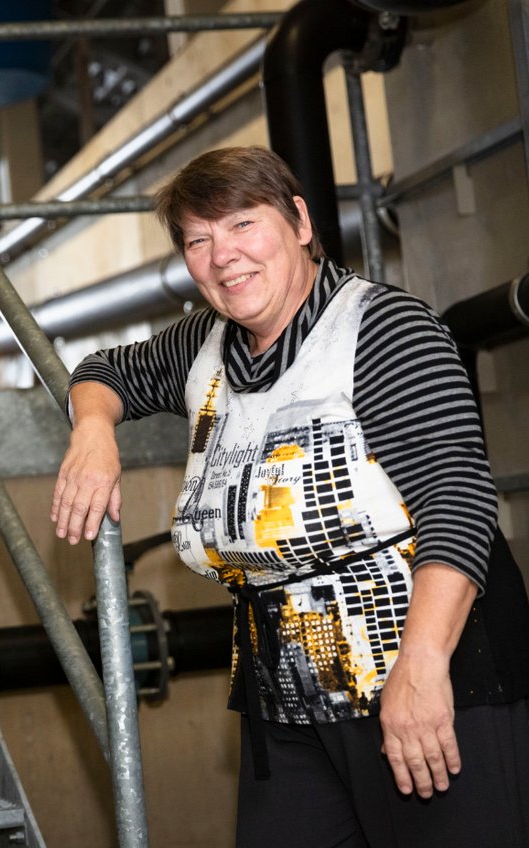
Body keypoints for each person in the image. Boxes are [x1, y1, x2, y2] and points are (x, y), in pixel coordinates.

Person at [51, 146, 529, 847]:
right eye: (199, 240)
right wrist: (93, 428)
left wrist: (422, 671)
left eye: (243, 225)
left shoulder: (386, 329)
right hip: (289, 702)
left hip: (431, 682)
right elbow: (102, 370)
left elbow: (458, 504)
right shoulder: (205, 345)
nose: (223, 257)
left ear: (300, 221)